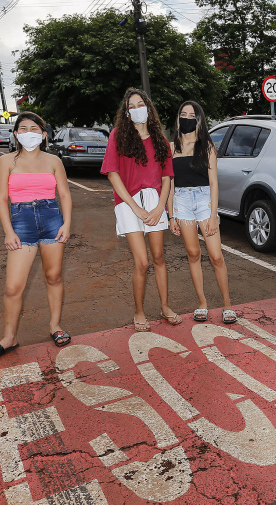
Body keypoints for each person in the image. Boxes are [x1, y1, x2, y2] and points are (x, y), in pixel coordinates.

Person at [0, 111, 73, 361]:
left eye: (34, 129)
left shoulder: (54, 161)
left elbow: (64, 195)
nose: (28, 133)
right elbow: (1, 198)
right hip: (21, 222)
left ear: (44, 135)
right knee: (13, 287)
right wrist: (8, 231)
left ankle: (55, 326)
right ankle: (9, 337)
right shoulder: (7, 162)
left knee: (53, 276)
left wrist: (66, 224)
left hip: (52, 219)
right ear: (15, 134)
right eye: (23, 129)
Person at [101, 88, 182, 331]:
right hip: (128, 203)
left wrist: (161, 209)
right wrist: (135, 208)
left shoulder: (160, 139)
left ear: (149, 107)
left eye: (141, 104)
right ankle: (139, 311)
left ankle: (165, 307)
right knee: (143, 263)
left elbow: (167, 178)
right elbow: (113, 175)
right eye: (132, 107)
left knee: (158, 258)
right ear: (126, 113)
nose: (137, 110)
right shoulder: (118, 136)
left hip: (155, 201)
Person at [167, 101, 236, 324]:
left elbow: (214, 183)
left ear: (199, 120)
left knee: (216, 256)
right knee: (193, 254)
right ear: (178, 118)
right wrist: (171, 215)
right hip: (182, 202)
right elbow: (169, 184)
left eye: (192, 115)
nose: (187, 118)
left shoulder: (207, 147)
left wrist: (214, 215)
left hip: (205, 200)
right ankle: (202, 303)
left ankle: (227, 305)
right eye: (183, 114)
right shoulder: (171, 148)